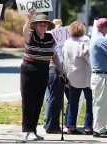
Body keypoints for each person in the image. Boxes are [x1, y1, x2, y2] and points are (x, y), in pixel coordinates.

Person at [21, 10, 65, 141]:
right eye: (40, 24)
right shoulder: (31, 36)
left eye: (45, 25)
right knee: (28, 101)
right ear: (35, 26)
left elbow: (54, 55)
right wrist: (29, 19)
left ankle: (33, 130)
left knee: (39, 101)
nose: (43, 27)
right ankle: (27, 131)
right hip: (29, 69)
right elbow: (24, 32)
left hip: (44, 69)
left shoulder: (50, 38)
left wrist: (61, 70)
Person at [63, 21, 93, 135]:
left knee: (73, 102)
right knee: (90, 101)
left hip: (72, 76)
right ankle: (88, 126)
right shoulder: (84, 41)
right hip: (85, 76)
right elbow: (88, 56)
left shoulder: (67, 42)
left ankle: (71, 125)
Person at [89, 18, 107, 138]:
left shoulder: (95, 38)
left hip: (98, 75)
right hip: (102, 76)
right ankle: (99, 130)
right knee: (102, 104)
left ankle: (100, 128)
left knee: (99, 103)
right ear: (105, 28)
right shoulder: (103, 40)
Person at [43, 18, 67, 134]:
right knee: (53, 98)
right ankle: (51, 125)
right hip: (52, 69)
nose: (59, 29)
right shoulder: (49, 38)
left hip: (54, 68)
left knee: (52, 98)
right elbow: (54, 55)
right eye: (57, 27)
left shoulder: (56, 38)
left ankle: (49, 123)